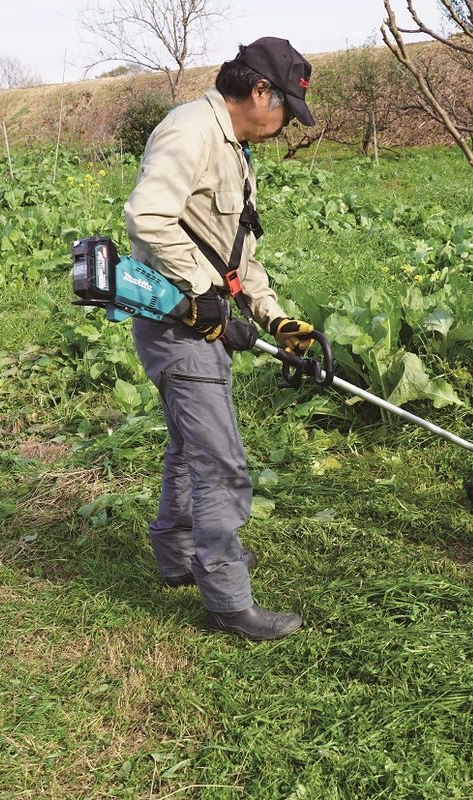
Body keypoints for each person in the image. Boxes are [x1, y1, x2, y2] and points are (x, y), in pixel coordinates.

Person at [124, 37, 317, 641]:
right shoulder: (190, 131)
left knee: (189, 447)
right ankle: (228, 600)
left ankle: (180, 554)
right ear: (260, 92)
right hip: (175, 320)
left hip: (200, 318)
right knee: (221, 462)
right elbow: (147, 215)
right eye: (286, 108)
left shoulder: (233, 147)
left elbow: (235, 254)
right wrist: (202, 292)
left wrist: (274, 316)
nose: (287, 124)